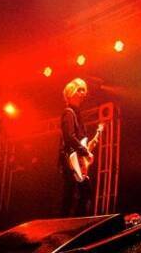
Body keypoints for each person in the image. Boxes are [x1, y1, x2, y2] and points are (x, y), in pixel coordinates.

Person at [60, 77, 94, 217]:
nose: (83, 93)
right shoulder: (68, 113)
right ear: (71, 92)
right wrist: (85, 152)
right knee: (74, 193)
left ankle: (76, 222)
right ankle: (67, 223)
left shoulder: (77, 114)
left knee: (81, 193)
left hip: (76, 159)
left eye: (84, 90)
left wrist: (87, 149)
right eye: (79, 90)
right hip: (70, 160)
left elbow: (79, 139)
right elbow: (69, 136)